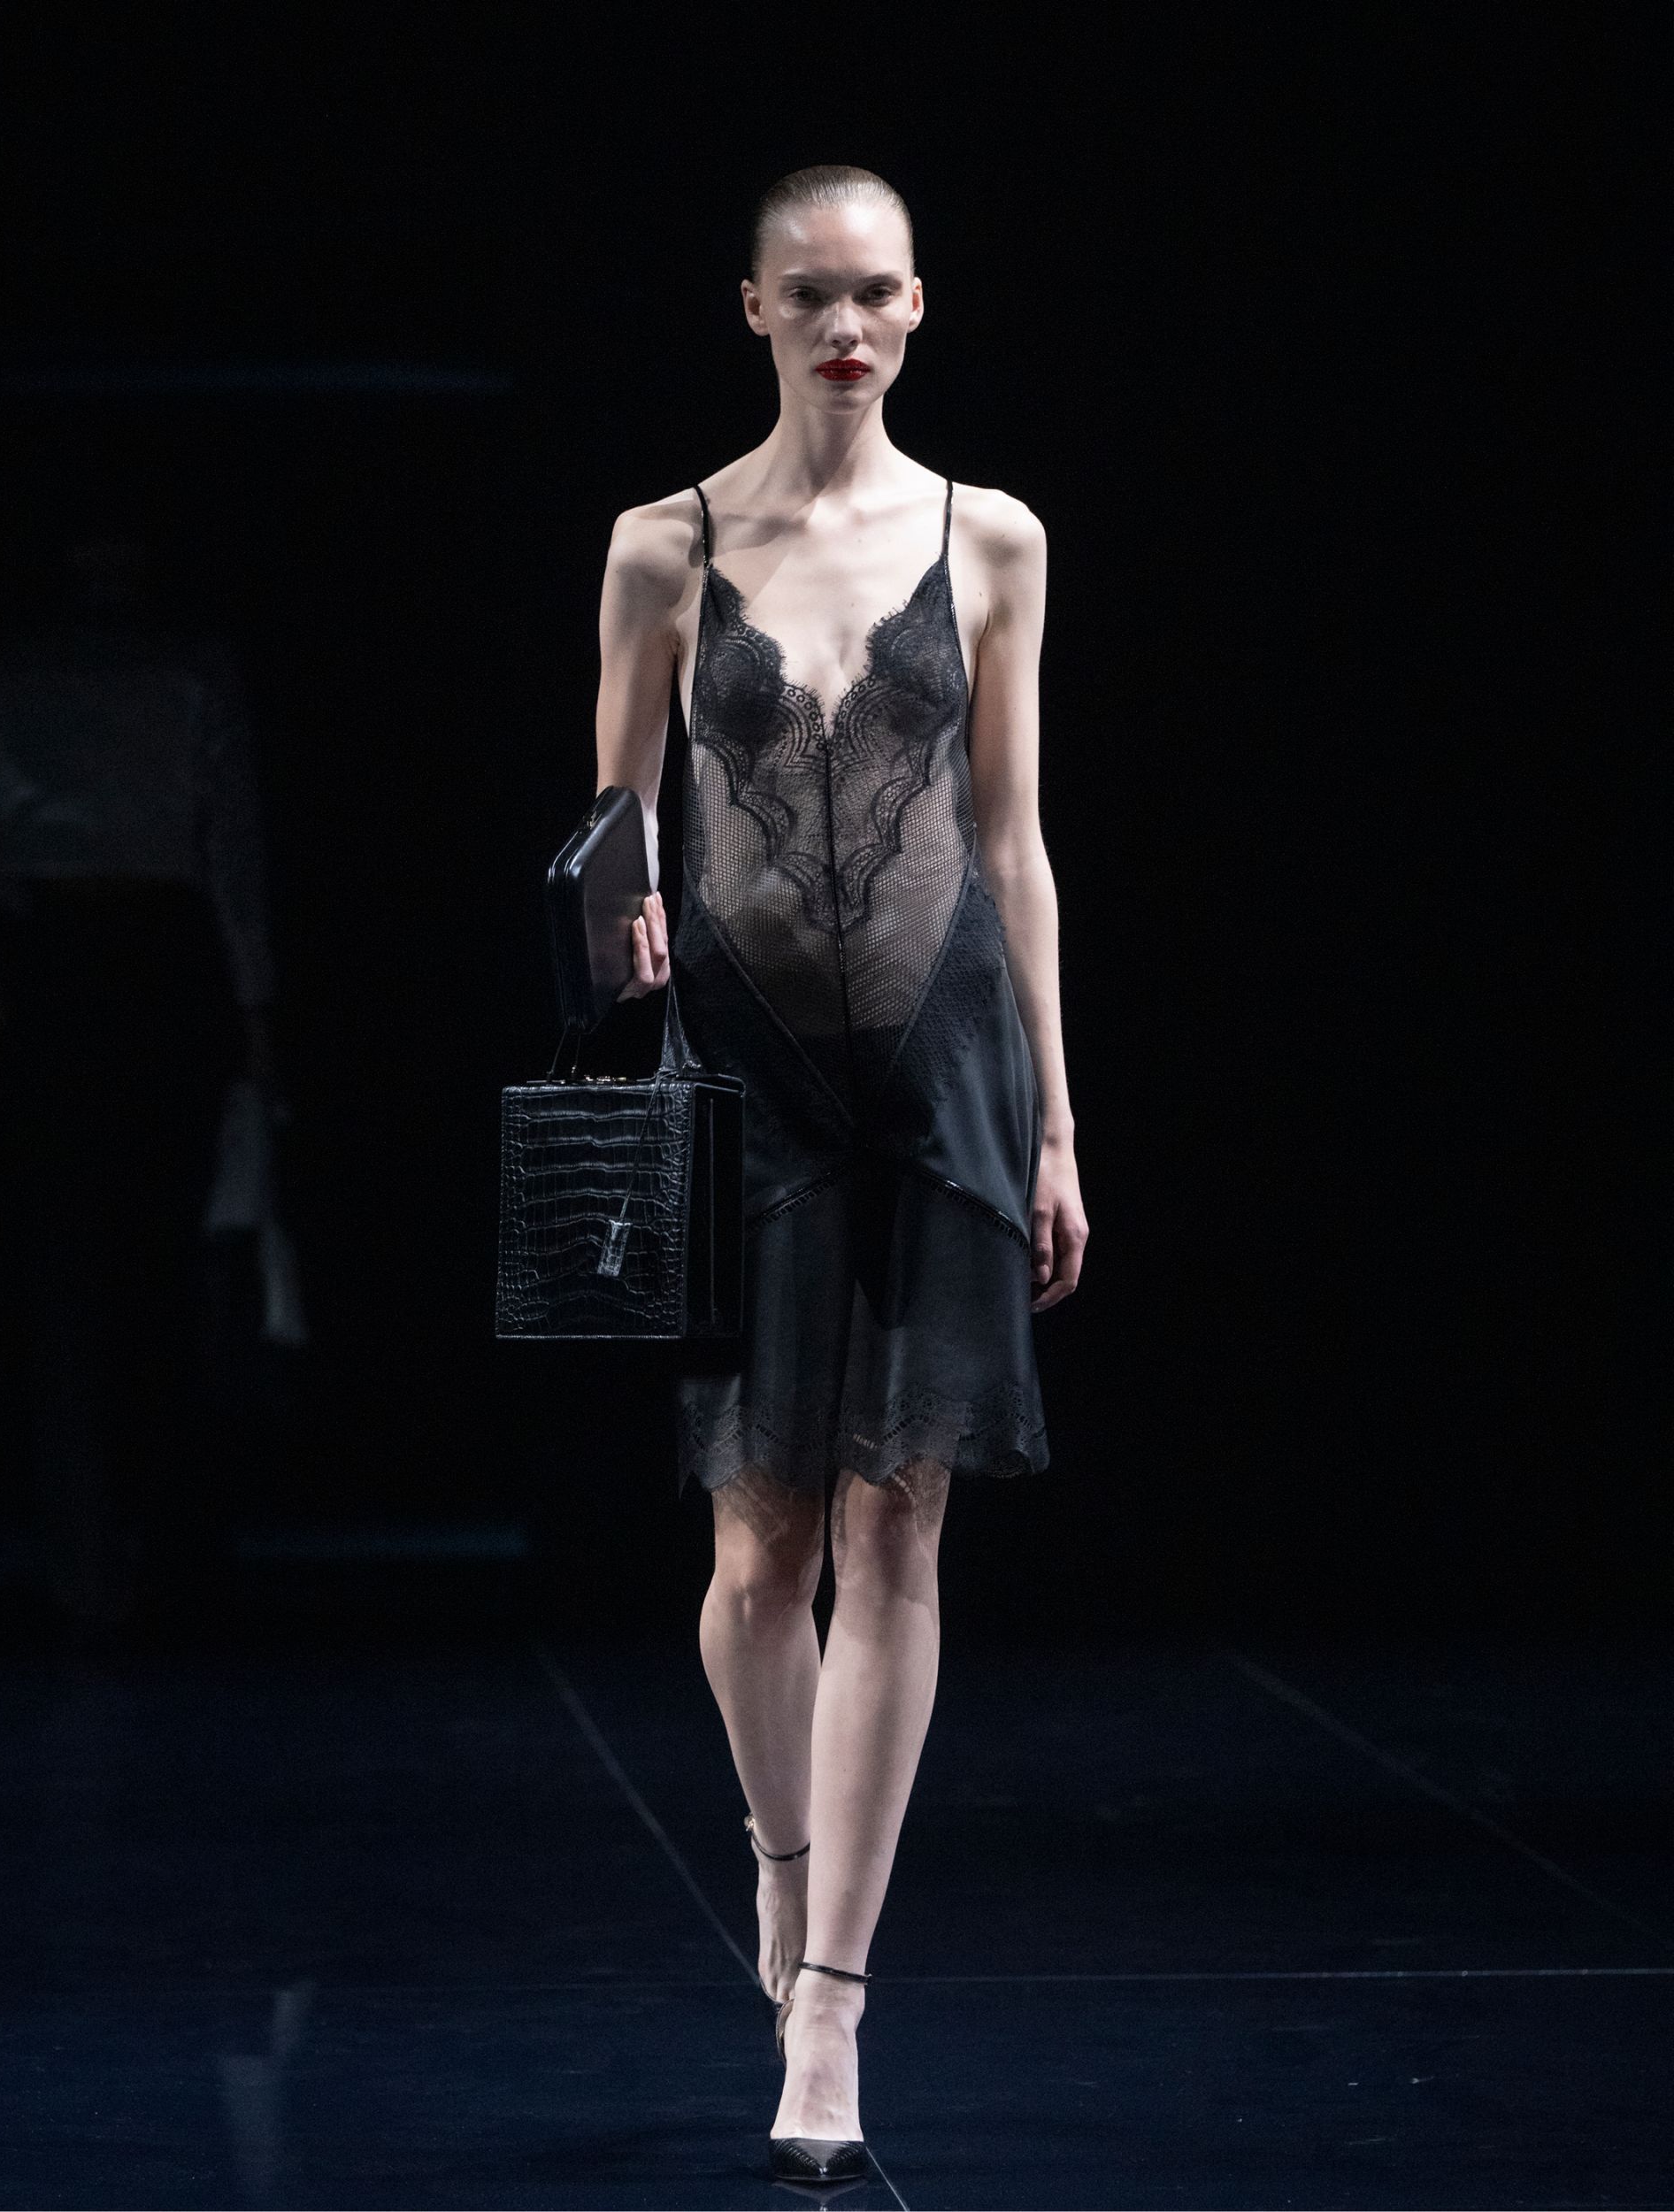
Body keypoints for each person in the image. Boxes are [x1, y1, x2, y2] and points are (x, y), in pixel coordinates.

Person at [593, 165, 1087, 2182]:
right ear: (753, 310)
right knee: (753, 1554)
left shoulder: (990, 537)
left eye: (874, 293)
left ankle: (830, 2008)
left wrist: (1054, 1117)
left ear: (917, 304)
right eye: (810, 295)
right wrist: (623, 924)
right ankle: (782, 1858)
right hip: (744, 1083)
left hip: (941, 1066)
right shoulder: (662, 544)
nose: (846, 327)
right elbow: (612, 817)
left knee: (895, 1534)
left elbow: (1013, 839)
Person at [0, 518, 281, 1643]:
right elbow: (230, 848)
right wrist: (253, 1006)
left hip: (65, 969)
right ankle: (164, 1559)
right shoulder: (177, 664)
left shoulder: (14, 663)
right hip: (150, 966)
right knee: (159, 1270)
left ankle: (95, 1565)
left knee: (72, 1275)